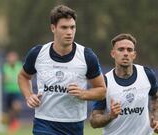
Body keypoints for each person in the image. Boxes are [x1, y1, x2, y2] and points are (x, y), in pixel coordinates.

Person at [17, 5, 106, 135]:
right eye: (64, 27)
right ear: (53, 28)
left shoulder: (87, 56)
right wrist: (29, 95)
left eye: (72, 27)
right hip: (44, 123)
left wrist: (83, 93)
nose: (69, 32)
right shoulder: (38, 53)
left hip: (74, 125)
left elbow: (102, 90)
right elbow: (23, 76)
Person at [89, 33, 158, 135]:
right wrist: (110, 115)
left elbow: (156, 96)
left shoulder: (146, 74)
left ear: (134, 55)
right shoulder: (105, 81)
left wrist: (154, 119)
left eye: (129, 50)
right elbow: (93, 121)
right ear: (113, 54)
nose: (125, 53)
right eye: (121, 49)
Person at [2, 51, 23, 134]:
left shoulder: (19, 66)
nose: (11, 59)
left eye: (13, 57)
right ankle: (12, 124)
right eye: (10, 57)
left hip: (16, 90)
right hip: (8, 90)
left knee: (17, 106)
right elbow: (3, 79)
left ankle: (16, 121)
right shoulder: (5, 66)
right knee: (9, 110)